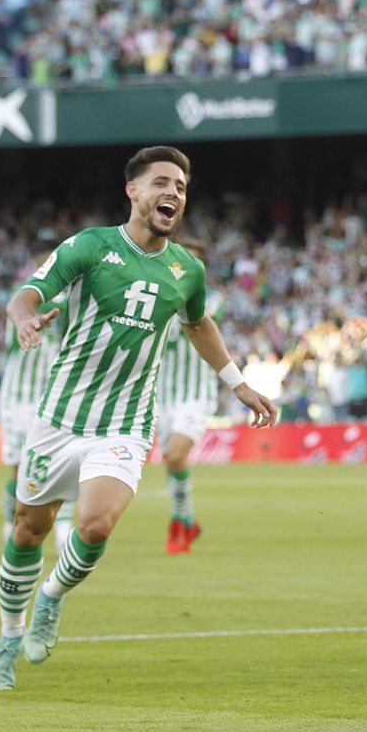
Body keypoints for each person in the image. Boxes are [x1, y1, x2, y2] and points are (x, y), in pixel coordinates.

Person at [0, 146, 279, 691]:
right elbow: (27, 294)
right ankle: (6, 641)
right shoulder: (90, 246)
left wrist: (238, 383)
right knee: (28, 531)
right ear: (133, 190)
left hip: (125, 423)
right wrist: (25, 320)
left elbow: (198, 325)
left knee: (96, 525)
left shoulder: (186, 269)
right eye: (162, 182)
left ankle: (50, 597)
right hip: (60, 417)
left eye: (181, 187)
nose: (173, 193)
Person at [153, 237, 222, 554]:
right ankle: (188, 520)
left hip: (195, 393)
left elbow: (196, 322)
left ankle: (178, 524)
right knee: (172, 461)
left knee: (177, 455)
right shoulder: (157, 295)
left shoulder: (213, 299)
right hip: (163, 395)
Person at [0, 276, 67, 542]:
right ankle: (10, 521)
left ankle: (63, 525)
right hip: (17, 398)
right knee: (18, 467)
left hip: (48, 397)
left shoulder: (63, 312)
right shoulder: (21, 303)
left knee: (59, 461)